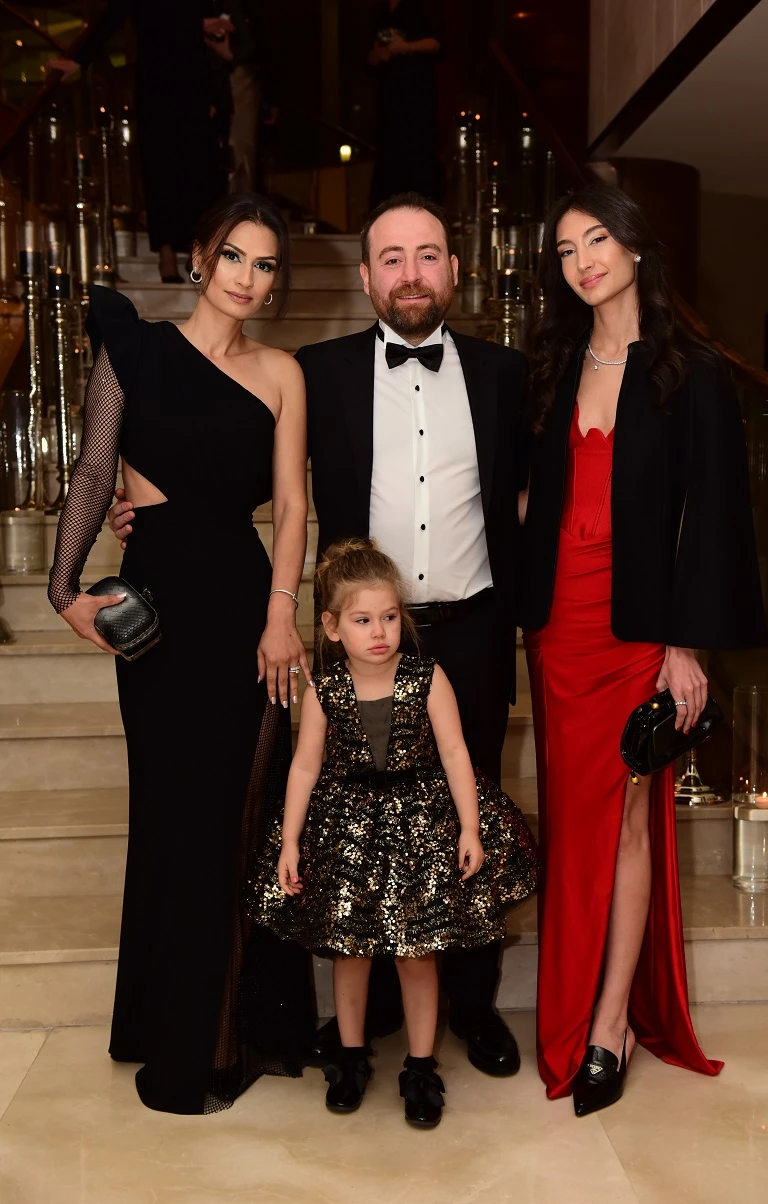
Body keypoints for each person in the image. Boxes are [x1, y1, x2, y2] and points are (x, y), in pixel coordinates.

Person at [107, 191, 530, 1079]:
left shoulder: (505, 375)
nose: (410, 273)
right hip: (360, 641)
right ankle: (373, 1008)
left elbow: (530, 501)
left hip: (472, 631)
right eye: (391, 257)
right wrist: (140, 504)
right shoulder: (318, 370)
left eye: (427, 254)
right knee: (359, 811)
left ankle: (472, 1003)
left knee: (470, 802)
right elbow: (236, 461)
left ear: (455, 269)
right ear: (366, 276)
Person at [48, 192, 314, 1114]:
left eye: (265, 264)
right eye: (234, 255)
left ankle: (224, 1032)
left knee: (237, 818)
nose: (247, 276)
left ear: (275, 283)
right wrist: (63, 593)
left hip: (246, 609)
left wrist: (282, 614)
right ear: (200, 256)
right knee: (172, 818)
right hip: (157, 610)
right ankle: (167, 1026)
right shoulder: (136, 350)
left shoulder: (282, 373)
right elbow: (94, 469)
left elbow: (293, 506)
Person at [519, 182, 767, 1116]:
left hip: (637, 634)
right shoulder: (551, 364)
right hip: (558, 630)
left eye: (596, 240)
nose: (582, 261)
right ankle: (581, 1003)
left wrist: (683, 644)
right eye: (565, 249)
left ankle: (610, 1023)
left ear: (633, 246)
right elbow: (530, 497)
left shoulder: (691, 371)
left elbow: (710, 516)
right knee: (571, 824)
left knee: (627, 821)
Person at [249, 538, 539, 1127]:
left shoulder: (426, 677)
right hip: (348, 836)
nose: (379, 632)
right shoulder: (327, 690)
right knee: (350, 953)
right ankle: (351, 1057)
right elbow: (304, 767)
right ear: (332, 628)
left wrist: (470, 827)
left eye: (388, 617)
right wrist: (291, 840)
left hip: (420, 832)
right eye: (362, 620)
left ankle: (421, 1066)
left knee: (417, 955)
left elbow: (455, 753)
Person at [49, 2, 231, 282]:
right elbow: (113, 19)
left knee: (196, 168)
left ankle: (196, 248)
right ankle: (166, 253)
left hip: (193, 86)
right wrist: (78, 60)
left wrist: (211, 95)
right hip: (155, 85)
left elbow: (197, 43)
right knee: (159, 167)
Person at [368, 1, 443, 206]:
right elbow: (367, 56)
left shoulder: (422, 5)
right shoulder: (378, 9)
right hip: (388, 98)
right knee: (389, 158)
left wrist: (406, 47)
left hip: (416, 96)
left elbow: (437, 42)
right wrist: (378, 55)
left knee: (418, 155)